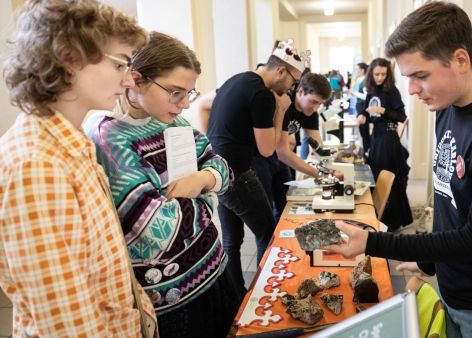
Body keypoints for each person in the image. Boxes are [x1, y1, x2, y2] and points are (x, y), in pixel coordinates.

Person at [324, 2, 472, 337]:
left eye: (420, 76)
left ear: (460, 60)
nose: (411, 90)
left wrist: (374, 243)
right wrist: (430, 261)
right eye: (407, 77)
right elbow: (454, 202)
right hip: (461, 296)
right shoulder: (448, 108)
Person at [0, 1, 157, 337]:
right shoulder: (37, 165)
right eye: (119, 65)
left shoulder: (70, 144)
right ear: (69, 59)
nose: (129, 79)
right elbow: (67, 323)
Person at [84, 32, 243, 338]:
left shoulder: (174, 123)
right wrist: (208, 195)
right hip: (173, 297)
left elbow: (224, 170)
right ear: (137, 80)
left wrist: (200, 180)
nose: (184, 104)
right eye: (175, 92)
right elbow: (156, 230)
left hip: (214, 269)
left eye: (189, 94)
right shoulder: (109, 136)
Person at [207, 39, 303, 291]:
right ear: (281, 71)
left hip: (216, 171)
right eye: (293, 81)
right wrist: (281, 111)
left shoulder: (235, 80)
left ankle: (236, 297)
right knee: (267, 234)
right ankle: (263, 294)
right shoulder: (262, 94)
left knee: (231, 239)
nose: (292, 88)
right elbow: (268, 149)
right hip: (238, 174)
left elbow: (205, 106)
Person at [252, 71, 334, 222]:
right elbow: (281, 150)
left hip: (280, 158)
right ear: (300, 91)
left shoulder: (310, 112)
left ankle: (283, 240)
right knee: (266, 214)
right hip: (259, 158)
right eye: (313, 101)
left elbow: (317, 144)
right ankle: (269, 244)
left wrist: (329, 166)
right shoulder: (283, 103)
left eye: (320, 104)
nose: (316, 108)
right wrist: (318, 173)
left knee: (285, 205)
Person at [358, 58, 413, 231]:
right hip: (376, 138)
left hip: (388, 139)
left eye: (383, 74)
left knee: (387, 176)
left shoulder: (392, 91)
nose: (380, 77)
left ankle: (391, 221)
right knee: (375, 175)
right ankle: (377, 215)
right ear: (371, 74)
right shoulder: (371, 91)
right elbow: (365, 110)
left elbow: (402, 117)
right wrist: (362, 115)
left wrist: (383, 111)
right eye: (377, 74)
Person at [349, 62, 371, 152]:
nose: (355, 71)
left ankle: (367, 151)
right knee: (363, 131)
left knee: (364, 131)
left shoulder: (365, 81)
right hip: (360, 107)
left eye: (357, 69)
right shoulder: (359, 79)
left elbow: (366, 97)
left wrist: (354, 93)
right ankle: (366, 149)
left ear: (362, 70)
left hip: (363, 108)